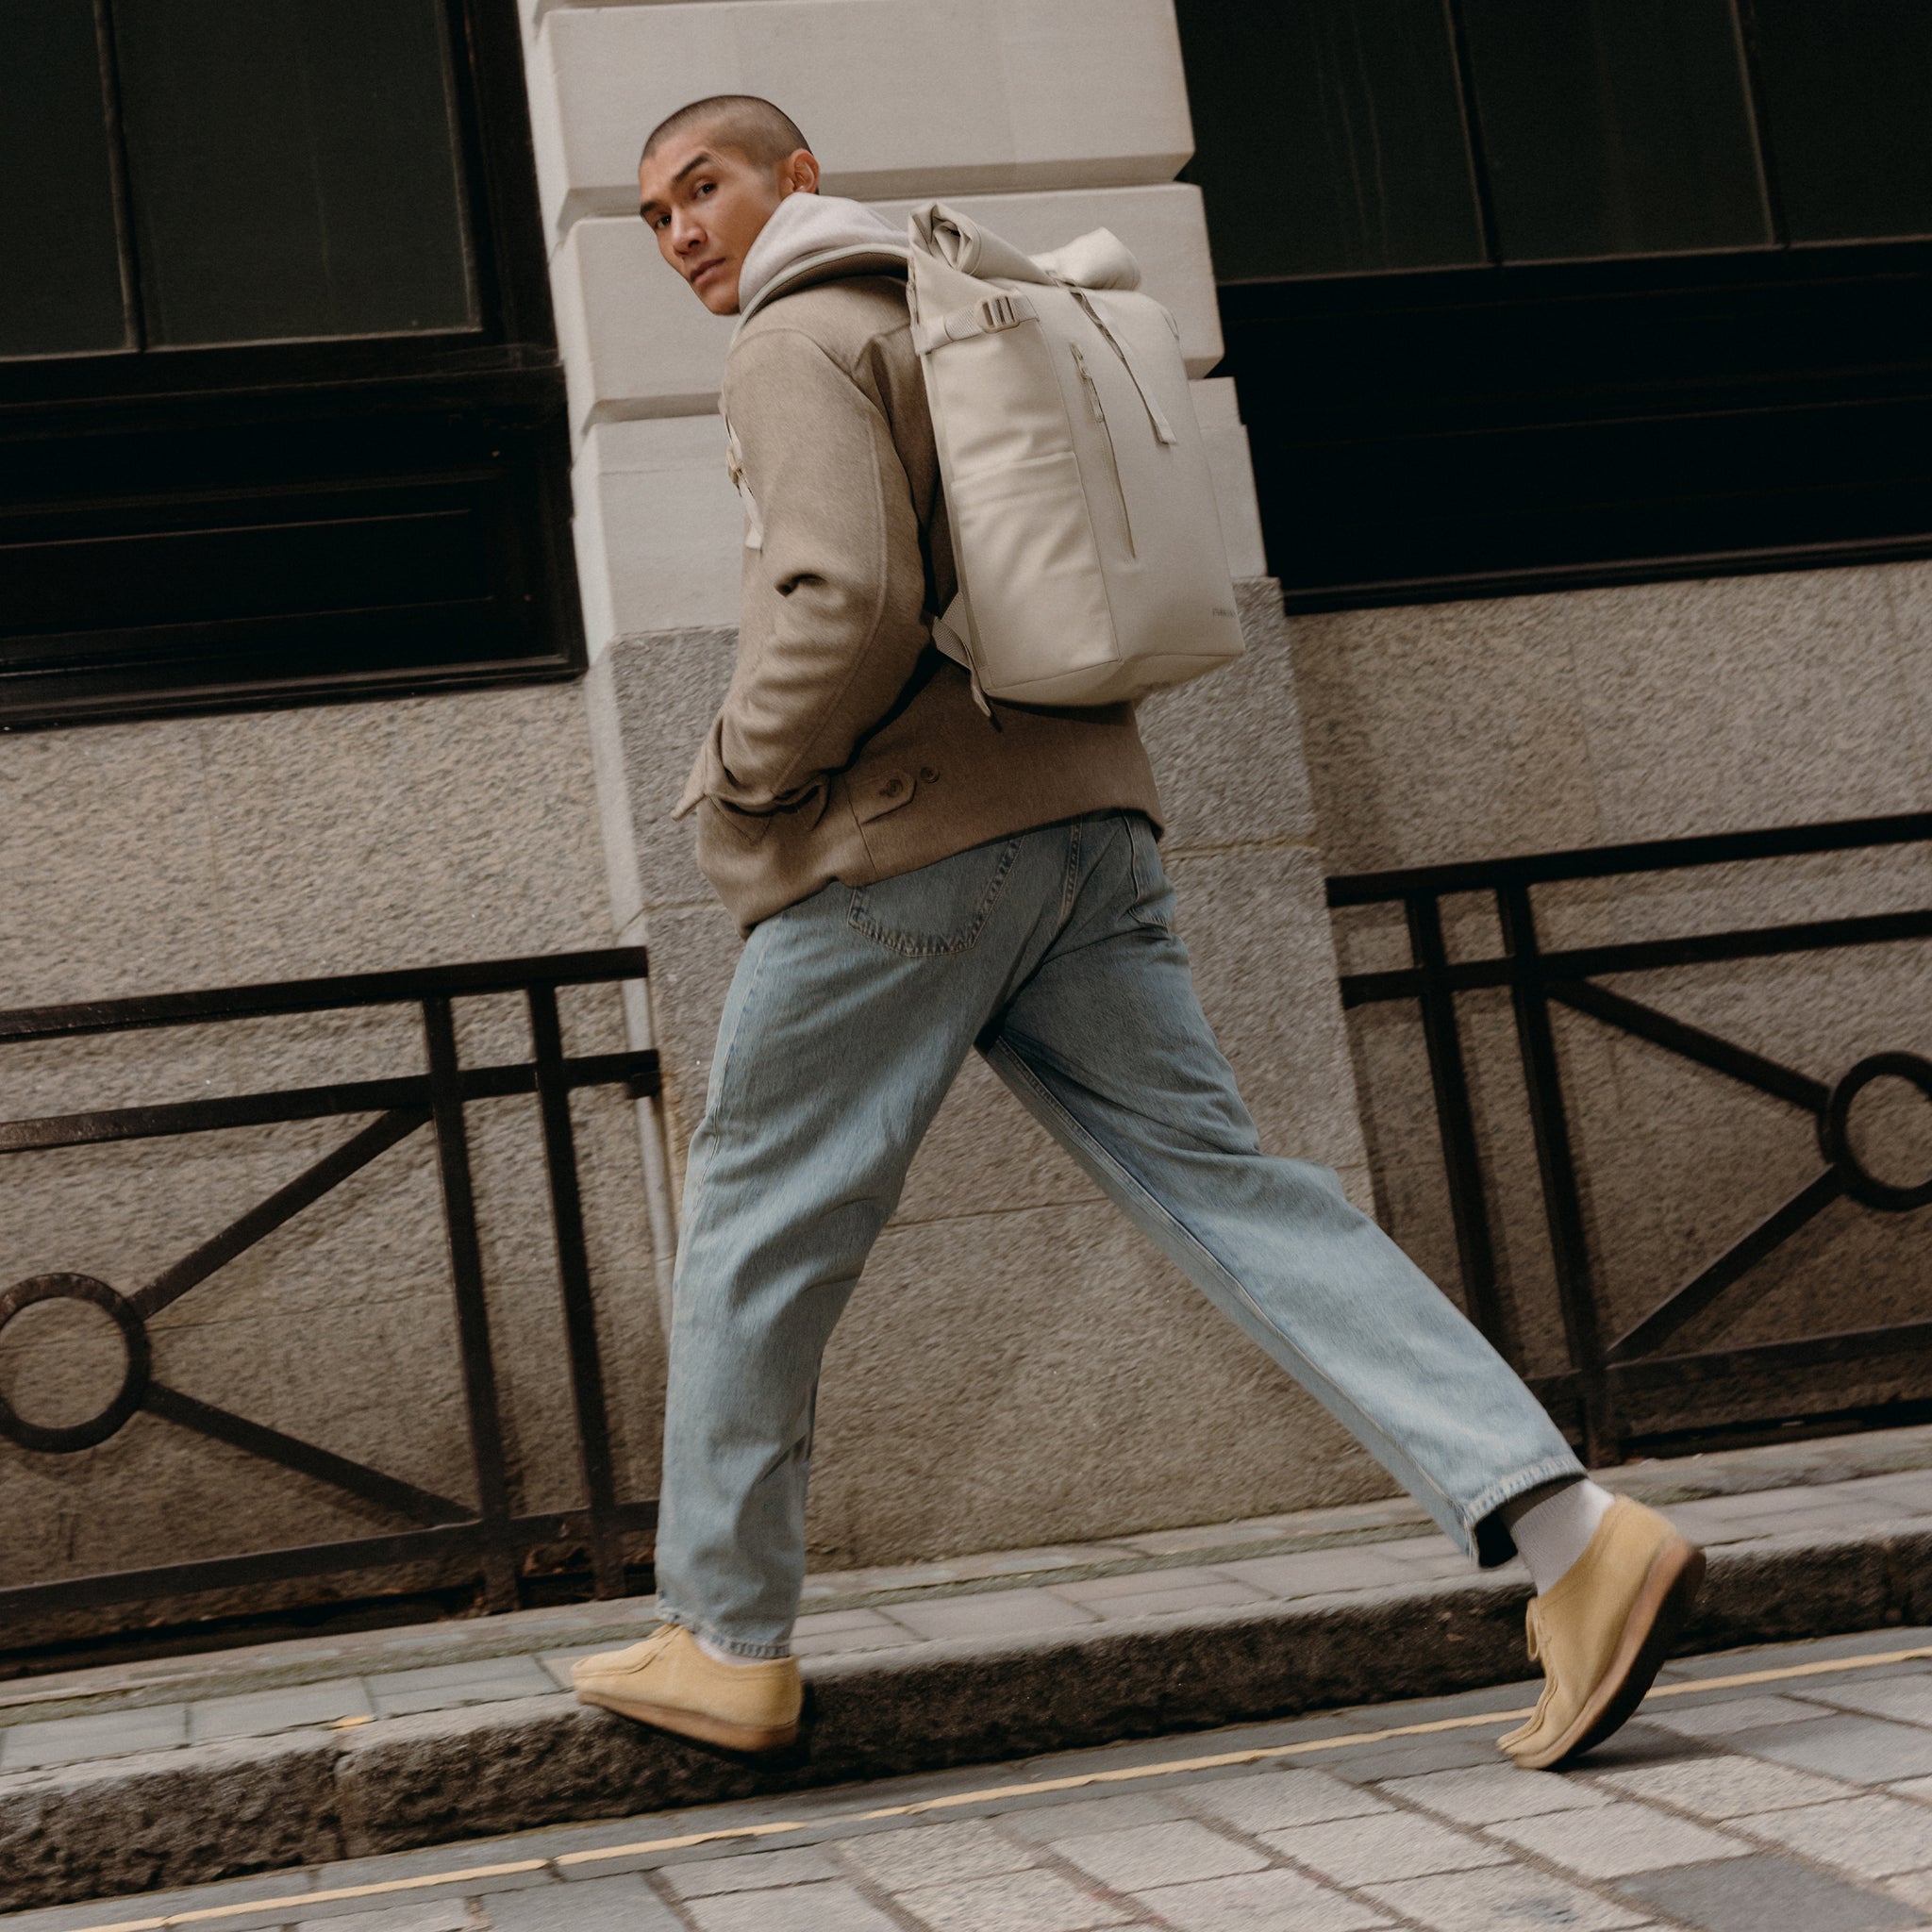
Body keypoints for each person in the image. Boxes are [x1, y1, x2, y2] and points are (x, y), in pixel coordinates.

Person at [572, 94, 1704, 1774]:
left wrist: (737, 775)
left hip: (905, 850)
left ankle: (726, 1639)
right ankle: (1577, 1539)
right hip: (1088, 826)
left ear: (795, 180)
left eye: (704, 187)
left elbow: (844, 598)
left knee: (754, 1220)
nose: (680, 232)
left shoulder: (796, 337)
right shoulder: (940, 302)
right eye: (656, 214)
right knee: (1230, 1189)